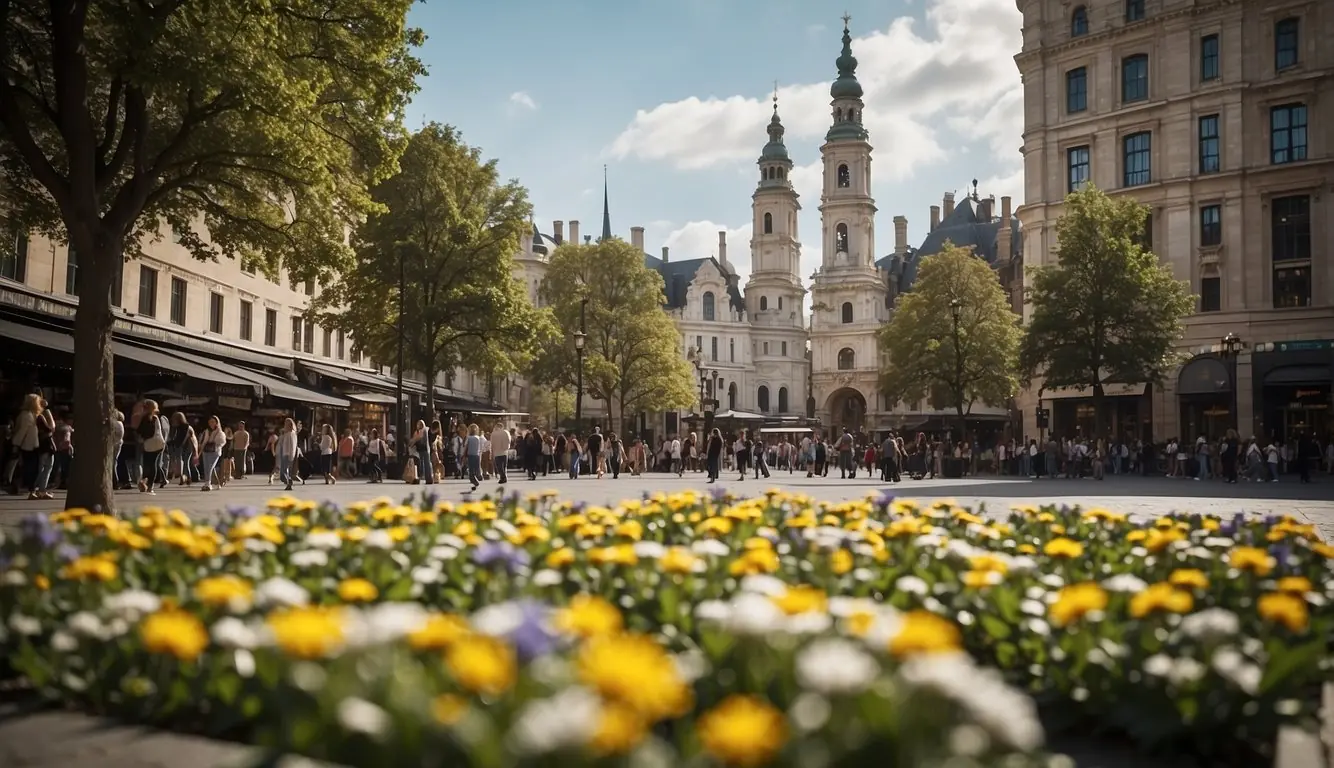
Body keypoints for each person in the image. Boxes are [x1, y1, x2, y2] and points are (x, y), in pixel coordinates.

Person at [198, 415, 228, 491]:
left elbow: (222, 442)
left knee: (210, 467)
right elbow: (202, 440)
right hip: (206, 450)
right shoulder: (206, 431)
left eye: (213, 422)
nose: (211, 423)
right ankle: (217, 483)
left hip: (215, 451)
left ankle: (208, 483)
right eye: (210, 421)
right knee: (207, 467)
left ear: (216, 423)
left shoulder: (219, 432)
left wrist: (213, 440)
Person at [275, 418, 299, 491]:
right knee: (284, 470)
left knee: (284, 470)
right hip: (286, 453)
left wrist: (290, 454)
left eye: (286, 424)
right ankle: (288, 482)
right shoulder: (289, 434)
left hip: (287, 453)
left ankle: (289, 481)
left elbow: (291, 445)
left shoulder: (290, 434)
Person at [464, 423, 482, 490]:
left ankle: (474, 481)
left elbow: (466, 447)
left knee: (471, 470)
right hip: (476, 455)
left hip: (470, 455)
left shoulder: (468, 438)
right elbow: (480, 448)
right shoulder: (478, 438)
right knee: (476, 468)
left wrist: (464, 455)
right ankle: (478, 476)